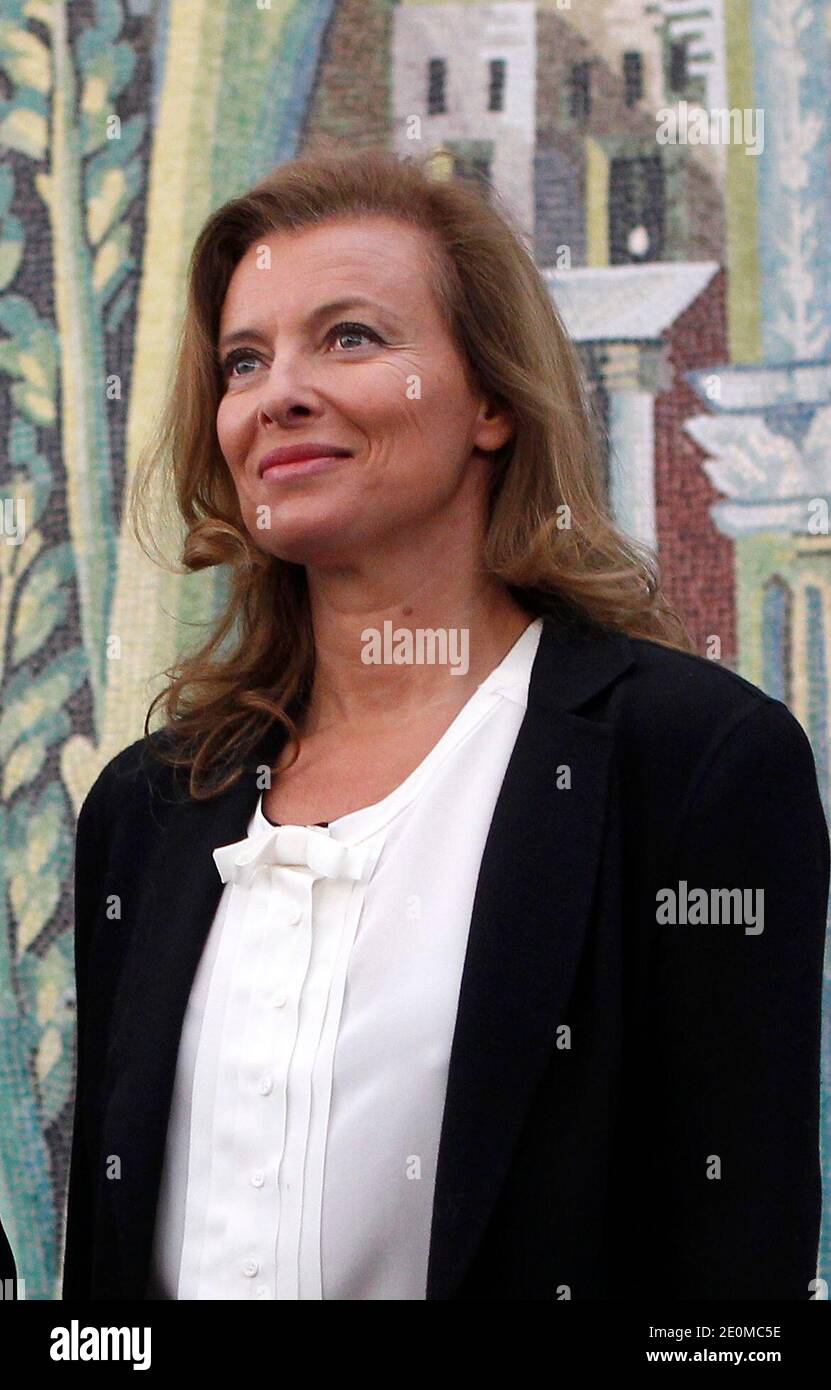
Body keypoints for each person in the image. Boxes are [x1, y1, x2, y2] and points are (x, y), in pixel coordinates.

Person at [61, 147, 829, 1301]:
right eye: (243, 360)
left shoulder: (693, 767)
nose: (280, 393)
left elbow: (733, 1285)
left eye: (352, 336)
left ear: (491, 400)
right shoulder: (149, 805)